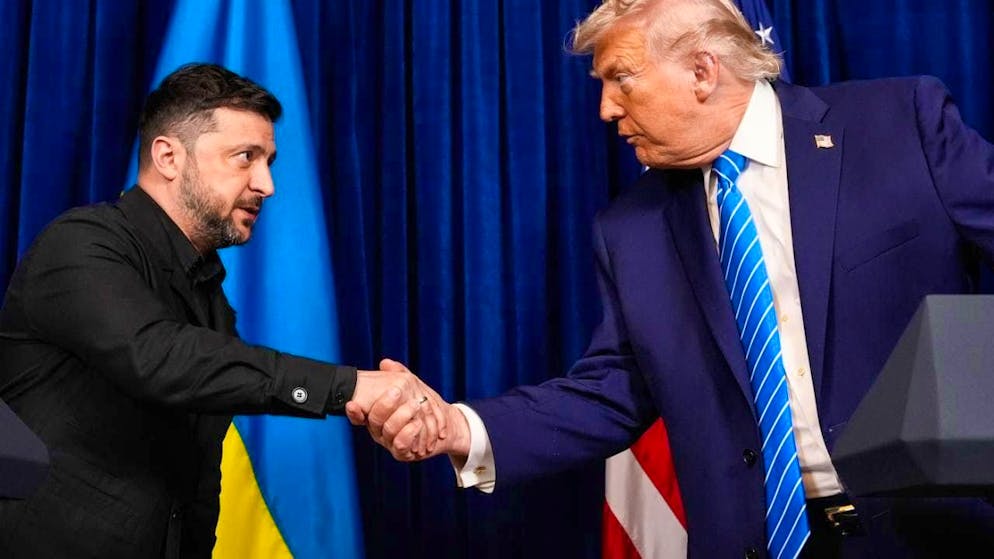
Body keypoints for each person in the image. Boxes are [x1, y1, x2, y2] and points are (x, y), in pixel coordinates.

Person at [350, 0, 994, 557]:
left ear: (702, 71)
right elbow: (611, 391)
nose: (605, 108)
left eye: (621, 79)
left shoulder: (900, 123)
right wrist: (461, 428)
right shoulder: (631, 229)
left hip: (937, 535)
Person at [0, 63, 444, 558]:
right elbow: (159, 358)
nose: (267, 184)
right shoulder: (80, 242)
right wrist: (351, 386)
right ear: (168, 156)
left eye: (269, 160)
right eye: (245, 157)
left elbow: (193, 483)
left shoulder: (211, 298)